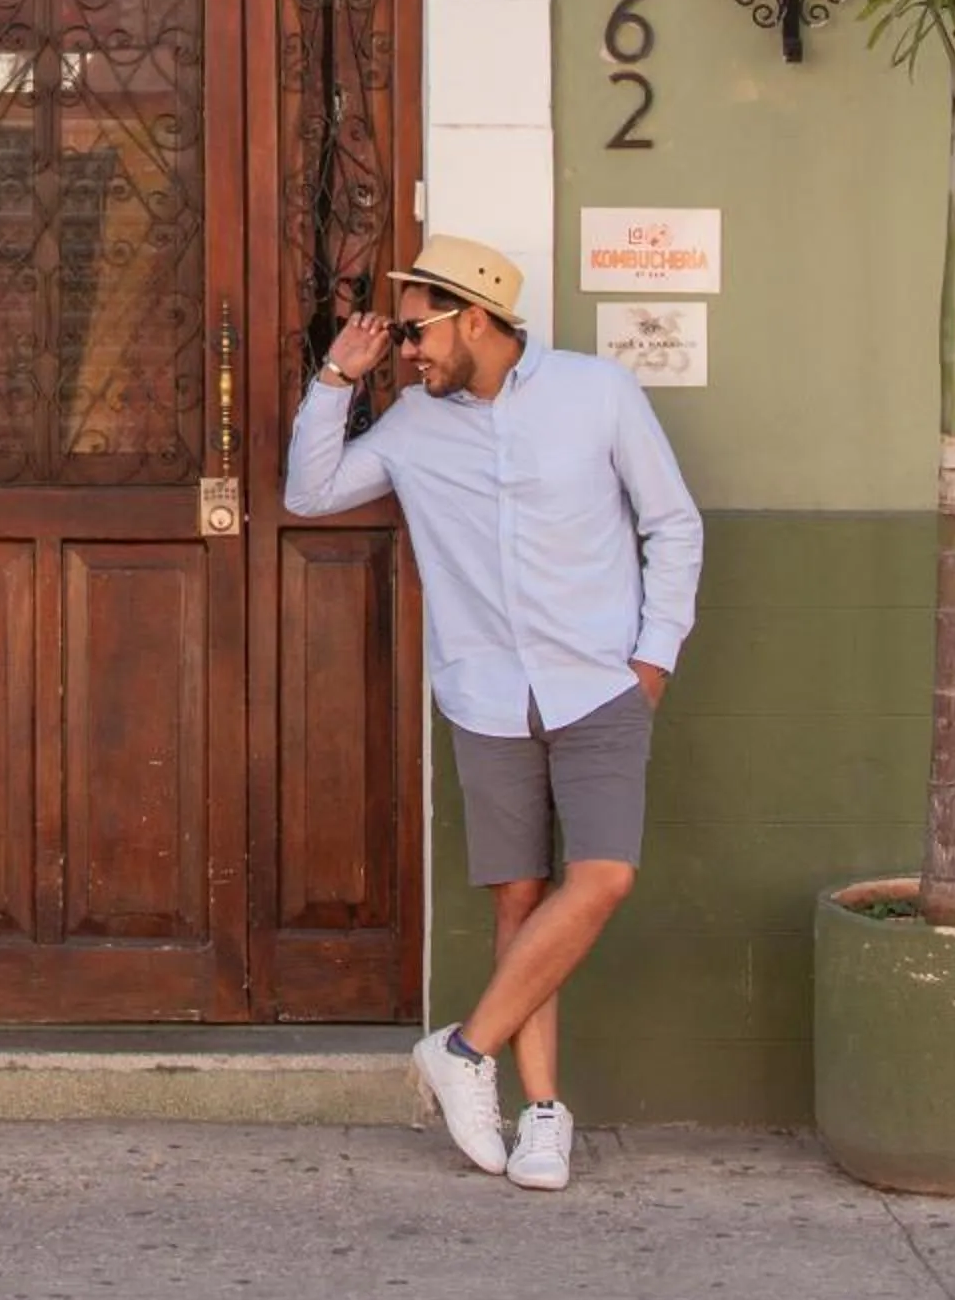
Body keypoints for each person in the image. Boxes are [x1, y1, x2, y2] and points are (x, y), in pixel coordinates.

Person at [284, 233, 702, 1191]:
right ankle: (542, 1116)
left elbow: (672, 523)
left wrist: (653, 655)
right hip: (484, 691)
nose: (406, 352)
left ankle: (466, 1050)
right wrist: (336, 381)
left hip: (599, 680)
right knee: (520, 897)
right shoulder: (409, 426)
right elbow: (310, 494)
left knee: (600, 880)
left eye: (417, 333)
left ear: (476, 317)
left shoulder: (596, 394)